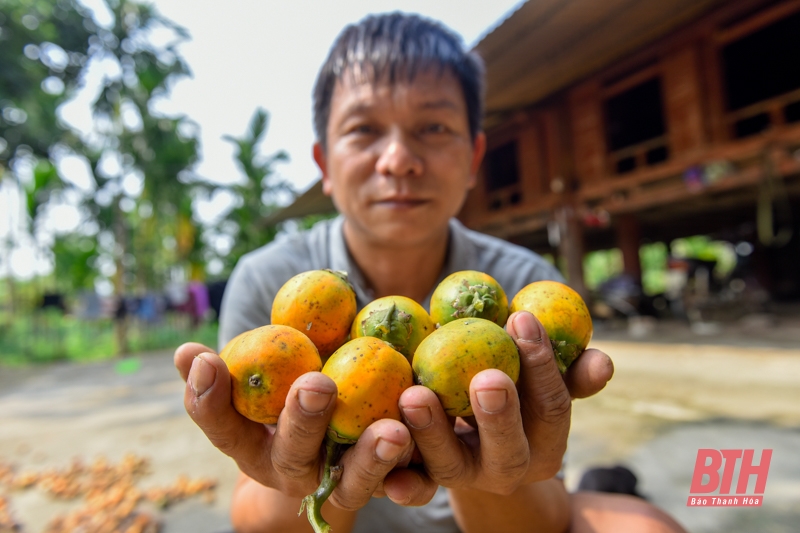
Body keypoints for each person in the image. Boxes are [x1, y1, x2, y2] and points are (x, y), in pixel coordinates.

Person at [174, 12, 687, 533]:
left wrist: (490, 474)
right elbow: (255, 518)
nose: (398, 160)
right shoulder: (272, 282)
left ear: (473, 157)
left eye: (434, 127)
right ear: (324, 163)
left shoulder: (522, 292)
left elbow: (540, 522)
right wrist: (308, 480)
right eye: (364, 129)